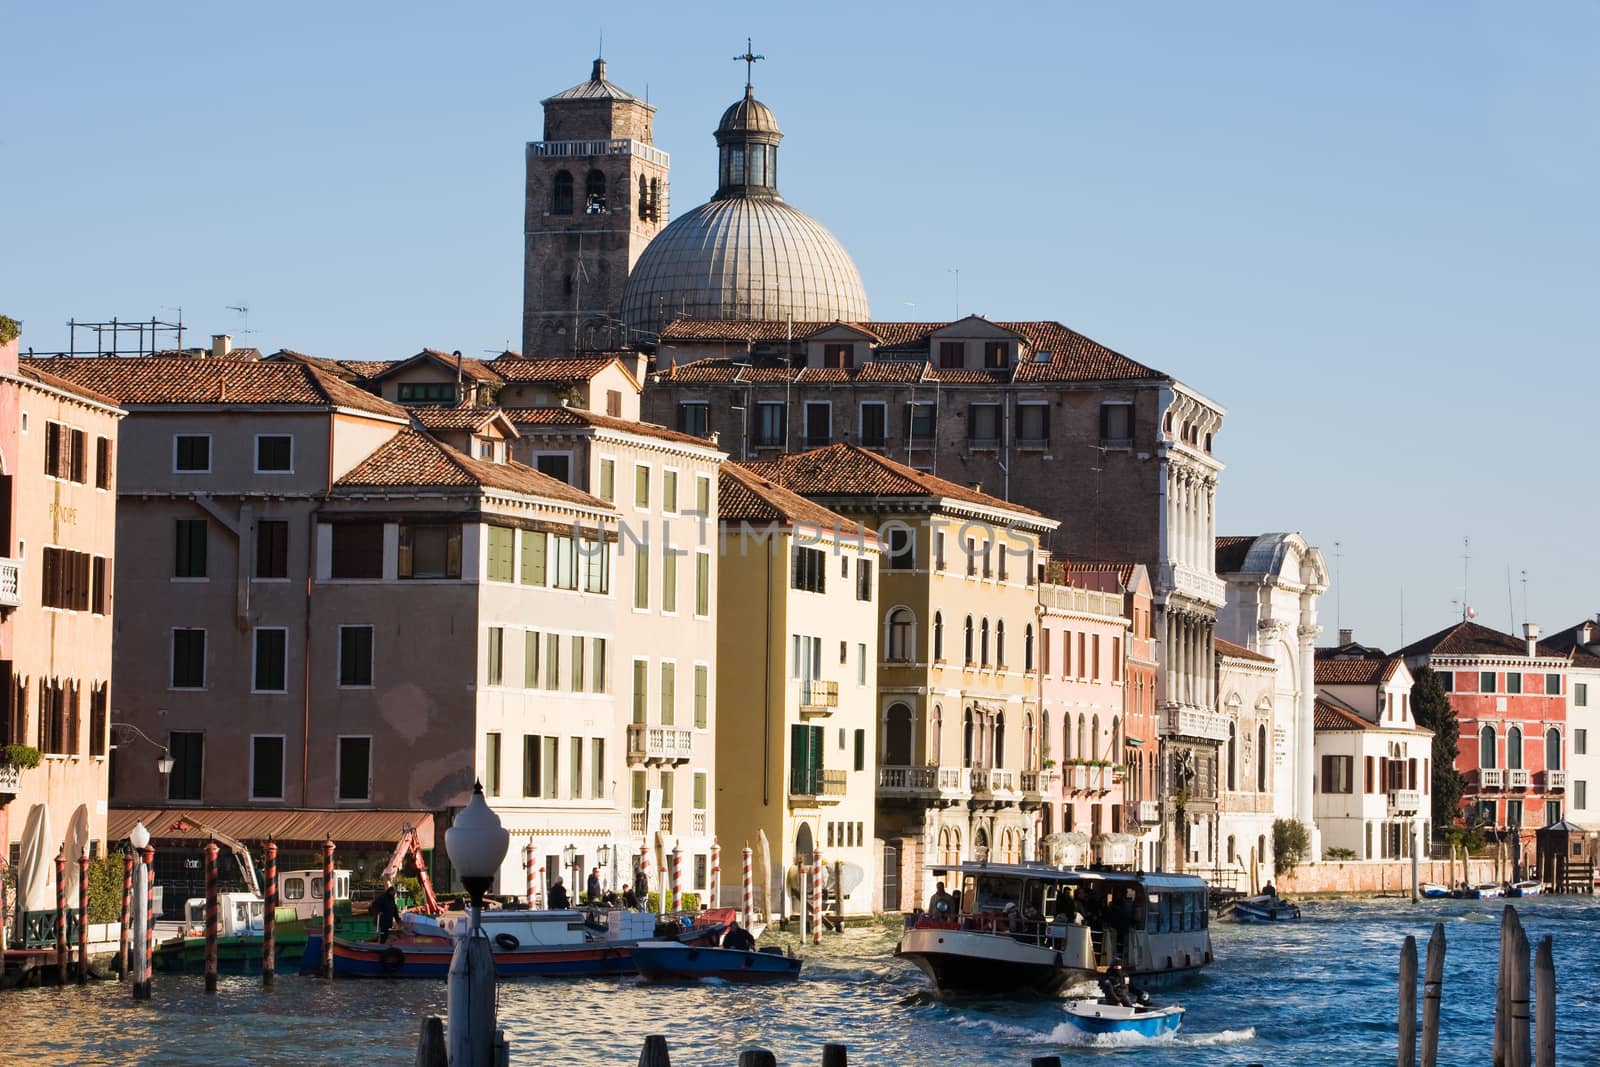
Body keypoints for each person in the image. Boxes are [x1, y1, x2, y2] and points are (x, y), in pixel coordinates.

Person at [371, 879, 401, 944]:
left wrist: (397, 919)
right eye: (394, 892)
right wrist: (379, 911)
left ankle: (383, 944)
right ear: (390, 891)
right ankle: (381, 945)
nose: (394, 894)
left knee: (385, 935)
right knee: (382, 934)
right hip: (383, 920)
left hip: (388, 920)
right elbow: (375, 904)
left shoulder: (392, 899)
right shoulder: (383, 897)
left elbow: (394, 909)